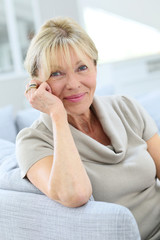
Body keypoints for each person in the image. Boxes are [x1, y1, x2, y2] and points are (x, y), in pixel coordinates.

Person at [16, 16, 160, 240]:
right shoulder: (32, 141)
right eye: (56, 73)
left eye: (82, 67)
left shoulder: (127, 107)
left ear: (95, 66)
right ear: (36, 83)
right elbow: (75, 194)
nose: (73, 83)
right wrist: (58, 116)